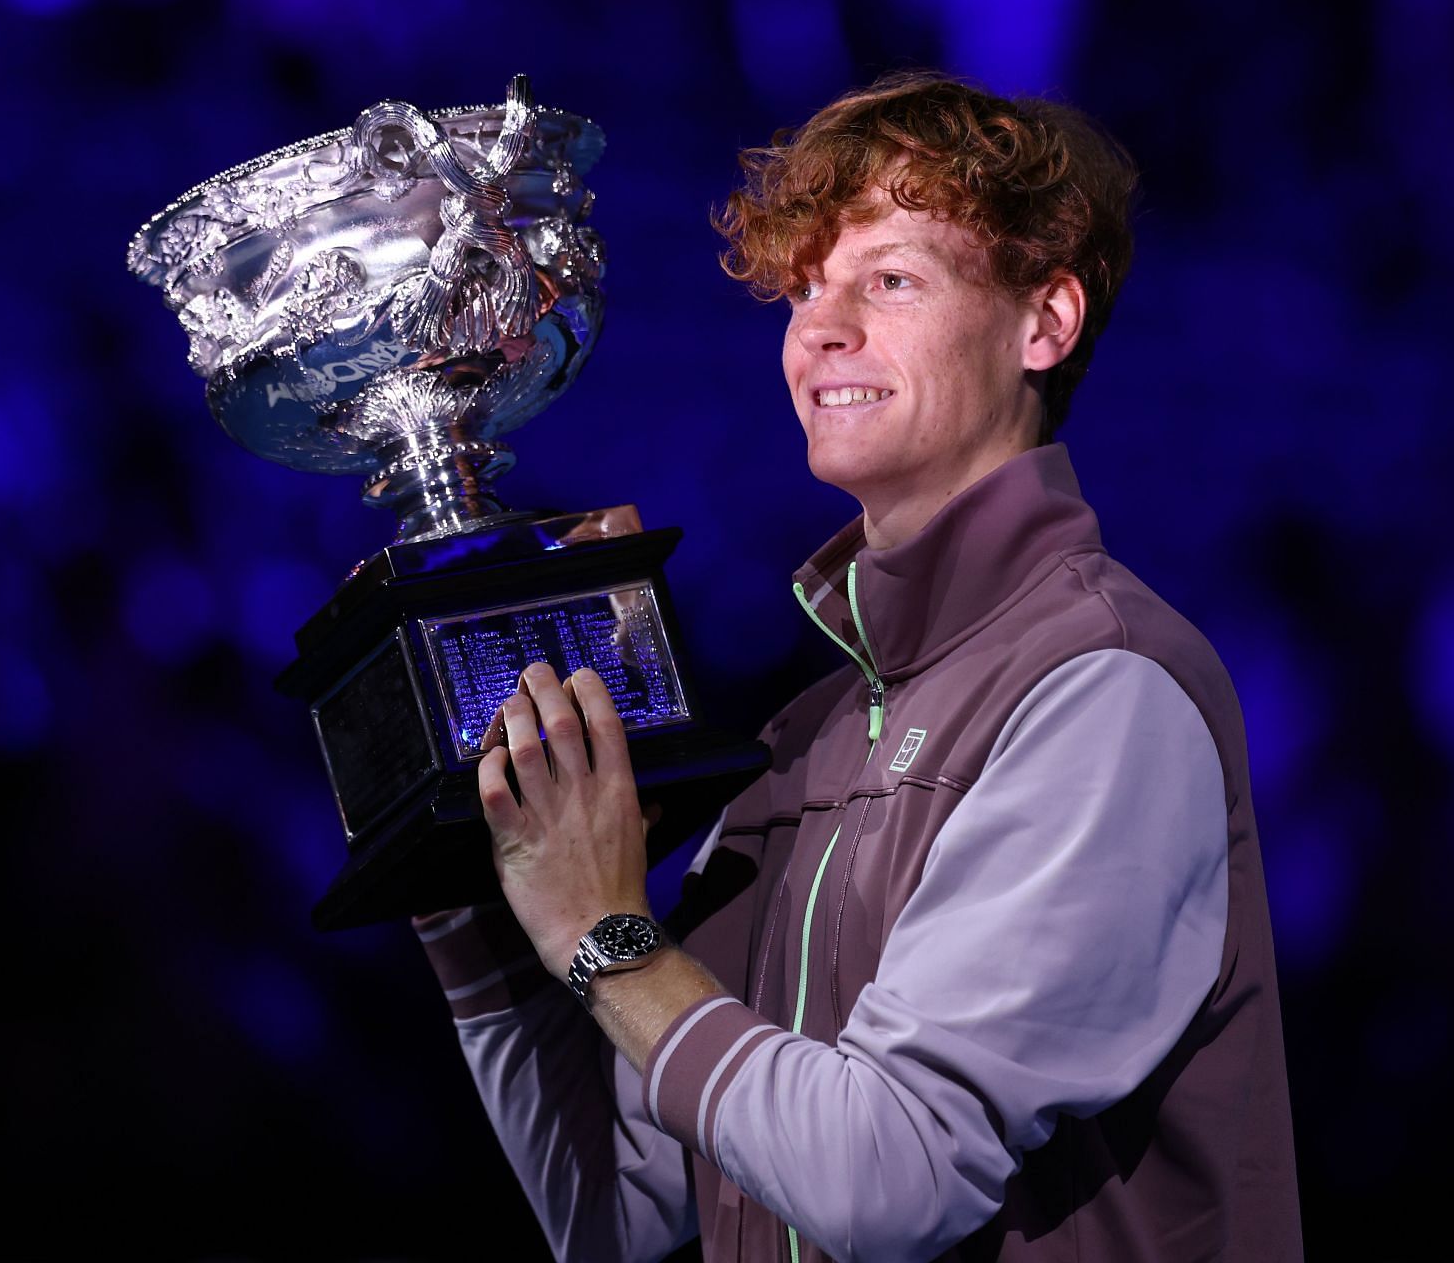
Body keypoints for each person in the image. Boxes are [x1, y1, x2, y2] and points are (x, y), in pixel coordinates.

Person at [412, 73, 1302, 1262]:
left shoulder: (1106, 689)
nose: (820, 328)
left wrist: (607, 931)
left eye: (889, 279)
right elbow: (615, 1207)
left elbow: (891, 1175)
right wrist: (482, 874)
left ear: (1045, 321)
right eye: (804, 288)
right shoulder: (810, 738)